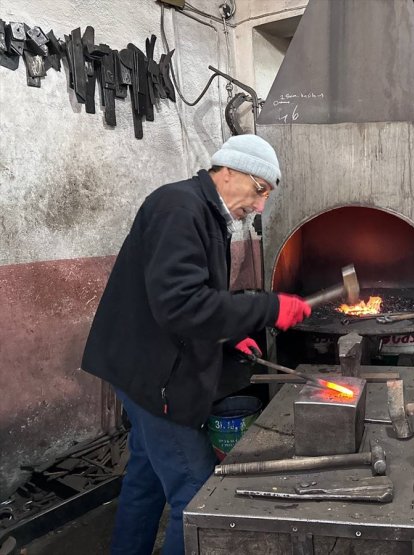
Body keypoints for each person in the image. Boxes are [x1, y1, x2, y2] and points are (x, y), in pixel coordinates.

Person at [81, 134, 312, 555]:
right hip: (153, 377)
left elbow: (194, 296)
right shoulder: (179, 208)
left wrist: (228, 336)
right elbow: (181, 305)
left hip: (146, 366)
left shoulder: (204, 213)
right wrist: (266, 308)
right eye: (260, 190)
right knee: (196, 497)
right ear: (228, 170)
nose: (260, 206)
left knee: (146, 478)